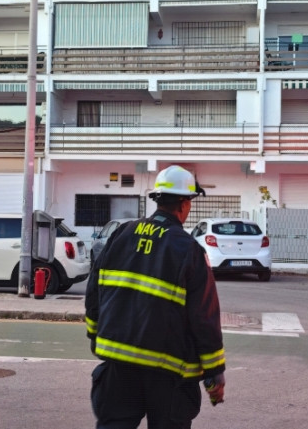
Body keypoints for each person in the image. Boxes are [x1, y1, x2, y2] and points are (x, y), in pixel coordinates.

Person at [85, 164, 225, 429]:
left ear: (158, 200)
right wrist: (214, 371)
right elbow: (204, 317)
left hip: (119, 366)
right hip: (169, 374)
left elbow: (94, 292)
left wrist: (95, 336)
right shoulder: (189, 250)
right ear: (184, 204)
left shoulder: (121, 234)